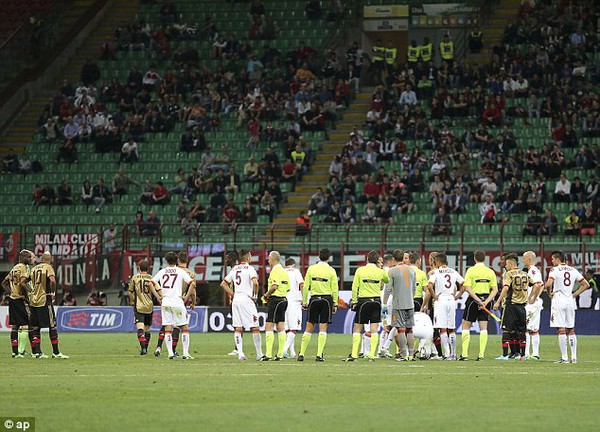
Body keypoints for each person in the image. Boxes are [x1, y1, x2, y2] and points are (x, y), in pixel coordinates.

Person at [545, 250, 590, 364]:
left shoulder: (554, 270)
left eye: (553, 259)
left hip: (558, 300)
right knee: (571, 329)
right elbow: (586, 284)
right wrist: (575, 294)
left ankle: (564, 358)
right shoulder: (573, 269)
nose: (552, 261)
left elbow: (549, 284)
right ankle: (574, 357)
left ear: (557, 259)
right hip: (570, 301)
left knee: (560, 329)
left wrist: (549, 293)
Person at [345, 250, 389, 362]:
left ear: (367, 259)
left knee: (357, 328)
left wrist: (354, 301)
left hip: (363, 301)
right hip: (376, 301)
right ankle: (372, 356)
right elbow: (387, 280)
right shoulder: (380, 271)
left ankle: (354, 355)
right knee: (374, 329)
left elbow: (355, 287)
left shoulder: (360, 270)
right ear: (377, 261)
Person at [151, 251, 196, 359]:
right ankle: (185, 353)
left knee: (168, 327)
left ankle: (170, 353)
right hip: (177, 302)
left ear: (166, 260)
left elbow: (150, 283)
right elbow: (192, 284)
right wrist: (186, 297)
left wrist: (158, 296)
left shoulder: (162, 271)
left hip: (165, 302)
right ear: (177, 260)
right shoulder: (180, 271)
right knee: (184, 327)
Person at [220, 249, 263, 361]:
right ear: (248, 258)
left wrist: (233, 294)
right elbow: (255, 283)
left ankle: (241, 354)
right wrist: (255, 296)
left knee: (238, 328)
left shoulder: (235, 269)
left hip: (236, 300)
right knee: (255, 327)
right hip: (246, 300)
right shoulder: (250, 269)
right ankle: (259, 354)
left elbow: (223, 284)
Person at [298, 248, 339, 362]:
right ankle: (319, 355)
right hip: (326, 299)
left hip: (314, 298)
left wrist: (305, 301)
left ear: (319, 257)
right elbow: (334, 289)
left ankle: (301, 353)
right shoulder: (331, 271)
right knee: (323, 327)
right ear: (329, 258)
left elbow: (306, 286)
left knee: (309, 326)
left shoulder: (311, 269)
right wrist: (335, 303)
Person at [456, 250, 497, 361]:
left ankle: (464, 355)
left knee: (465, 326)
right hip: (486, 301)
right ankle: (481, 355)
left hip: (474, 300)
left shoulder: (471, 270)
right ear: (485, 258)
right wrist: (486, 301)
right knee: (483, 328)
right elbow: (495, 289)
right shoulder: (490, 272)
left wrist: (478, 300)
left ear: (474, 258)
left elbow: (468, 287)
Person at [423, 253, 464, 360]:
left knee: (442, 329)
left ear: (437, 261)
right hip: (451, 300)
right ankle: (453, 354)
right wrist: (458, 296)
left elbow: (430, 285)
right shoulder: (453, 271)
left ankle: (446, 354)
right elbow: (464, 284)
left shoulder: (436, 272)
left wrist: (434, 296)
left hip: (440, 301)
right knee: (451, 328)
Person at [27, 251, 68, 359]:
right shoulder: (48, 267)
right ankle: (56, 352)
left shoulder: (34, 268)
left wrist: (31, 291)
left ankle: (37, 352)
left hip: (33, 301)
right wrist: (53, 293)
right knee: (52, 325)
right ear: (50, 259)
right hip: (44, 300)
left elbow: (24, 281)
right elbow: (53, 281)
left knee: (35, 327)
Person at [383, 249, 416, 361]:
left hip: (398, 304)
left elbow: (388, 289)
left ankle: (404, 354)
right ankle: (411, 355)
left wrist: (384, 303)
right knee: (410, 329)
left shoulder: (392, 271)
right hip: (410, 303)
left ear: (393, 259)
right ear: (403, 258)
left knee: (401, 329)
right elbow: (414, 288)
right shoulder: (411, 270)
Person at [493, 255, 529, 360]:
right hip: (522, 306)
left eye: (506, 264)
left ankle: (504, 355)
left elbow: (505, 288)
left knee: (506, 330)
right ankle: (522, 355)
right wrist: (531, 297)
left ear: (510, 264)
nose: (505, 266)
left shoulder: (508, 274)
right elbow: (536, 284)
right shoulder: (525, 274)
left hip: (511, 304)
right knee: (520, 331)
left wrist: (498, 301)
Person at [259, 251, 290, 361]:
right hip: (284, 300)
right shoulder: (284, 271)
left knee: (269, 326)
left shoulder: (275, 271)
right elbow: (288, 288)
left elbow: (274, 286)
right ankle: (280, 354)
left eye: (269, 258)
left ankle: (268, 355)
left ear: (272, 259)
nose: (268, 260)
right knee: (280, 326)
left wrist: (266, 295)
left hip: (275, 300)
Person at [1, 250, 33, 358]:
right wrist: (29, 293)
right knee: (25, 325)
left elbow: (4, 283)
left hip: (12, 300)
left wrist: (11, 293)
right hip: (20, 299)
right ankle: (21, 351)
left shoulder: (14, 269)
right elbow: (22, 283)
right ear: (23, 258)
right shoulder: (23, 267)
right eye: (28, 257)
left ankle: (14, 352)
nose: (29, 259)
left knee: (15, 326)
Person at [128, 259, 162, 355]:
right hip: (149, 306)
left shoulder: (135, 278)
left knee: (140, 328)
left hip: (139, 306)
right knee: (147, 328)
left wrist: (132, 301)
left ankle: (143, 349)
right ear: (148, 269)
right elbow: (159, 290)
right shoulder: (152, 278)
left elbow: (130, 292)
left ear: (139, 268)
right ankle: (145, 348)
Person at [523, 251, 544, 360]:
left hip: (532, 304)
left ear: (530, 259)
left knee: (527, 329)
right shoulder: (533, 270)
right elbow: (541, 286)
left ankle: (528, 354)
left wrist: (532, 297)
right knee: (533, 329)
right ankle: (534, 354)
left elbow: (538, 284)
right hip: (535, 303)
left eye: (524, 258)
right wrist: (535, 297)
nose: (523, 260)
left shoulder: (533, 270)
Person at [282, 258, 304, 359]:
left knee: (288, 329)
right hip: (294, 301)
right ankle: (283, 350)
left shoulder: (281, 271)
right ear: (294, 265)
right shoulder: (296, 272)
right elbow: (301, 284)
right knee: (294, 328)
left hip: (283, 301)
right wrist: (304, 299)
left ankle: (292, 353)